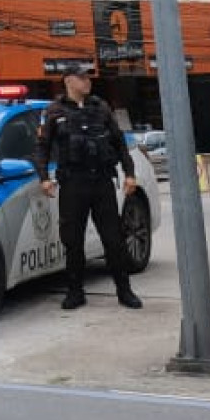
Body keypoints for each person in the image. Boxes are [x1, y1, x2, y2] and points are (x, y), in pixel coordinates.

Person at [34, 68, 142, 310]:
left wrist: (130, 174)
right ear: (68, 80)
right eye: (82, 78)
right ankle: (75, 292)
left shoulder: (101, 107)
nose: (88, 81)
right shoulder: (54, 111)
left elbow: (119, 143)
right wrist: (44, 177)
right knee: (73, 240)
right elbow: (42, 147)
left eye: (88, 77)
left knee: (113, 239)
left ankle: (124, 291)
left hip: (101, 181)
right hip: (73, 182)